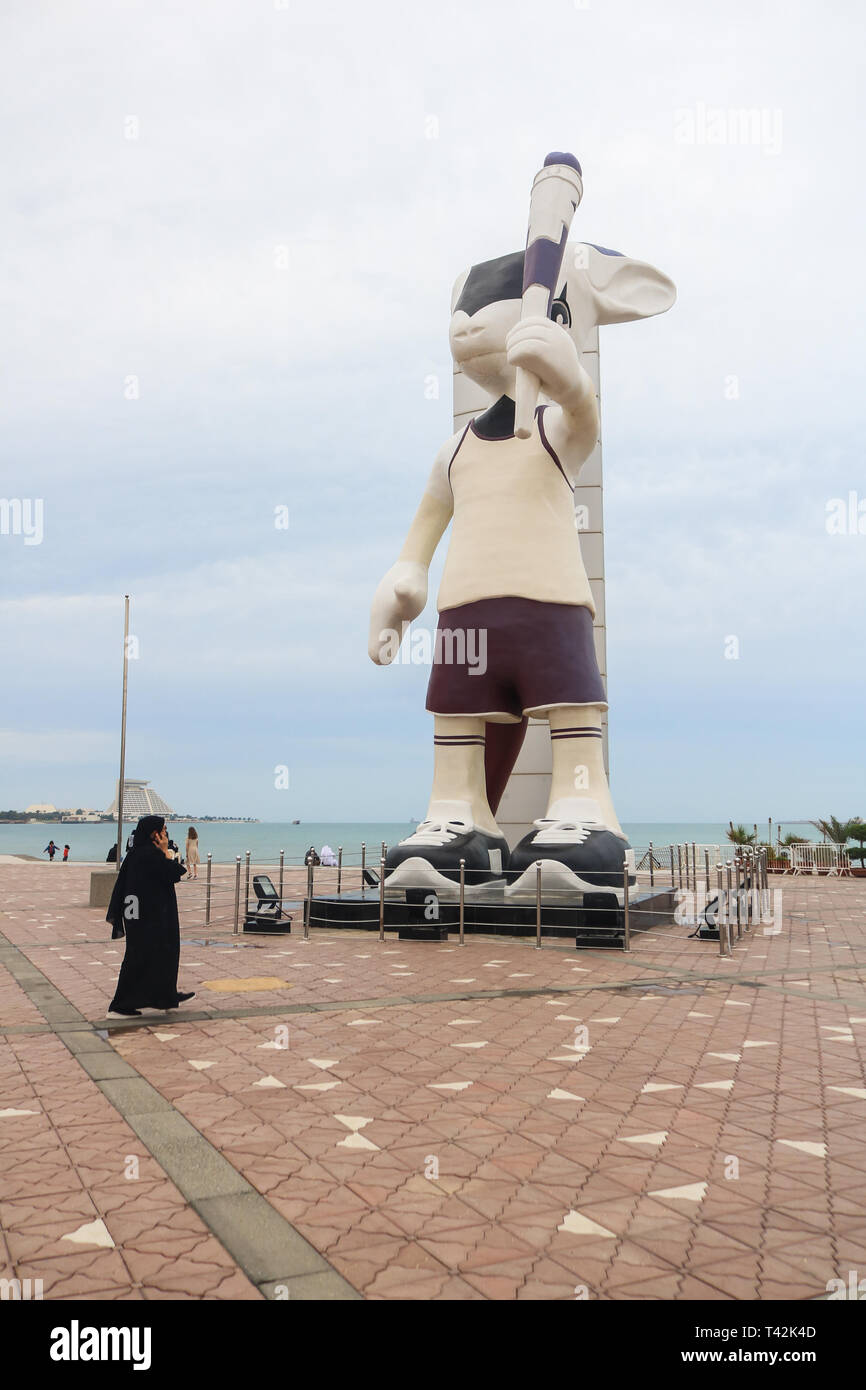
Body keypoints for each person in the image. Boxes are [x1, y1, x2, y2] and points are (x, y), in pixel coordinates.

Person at [105, 814, 195, 1017]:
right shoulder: (149, 855)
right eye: (163, 830)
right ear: (154, 833)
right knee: (140, 958)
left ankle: (165, 997)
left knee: (157, 957)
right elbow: (174, 874)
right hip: (148, 919)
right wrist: (165, 852)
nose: (166, 834)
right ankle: (120, 1005)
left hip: (145, 916)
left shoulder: (138, 853)